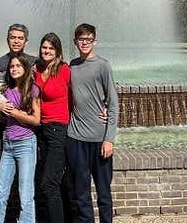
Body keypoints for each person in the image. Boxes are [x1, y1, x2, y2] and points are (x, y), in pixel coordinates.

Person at [66, 23, 119, 223]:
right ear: (75, 42)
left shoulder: (103, 66)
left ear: (94, 41)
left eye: (88, 39)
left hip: (99, 140)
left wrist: (109, 139)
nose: (85, 43)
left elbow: (113, 103)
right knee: (81, 194)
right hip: (76, 138)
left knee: (104, 193)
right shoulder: (72, 65)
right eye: (81, 39)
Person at [0, 24, 38, 220]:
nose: (16, 40)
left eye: (20, 37)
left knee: (27, 190)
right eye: (12, 37)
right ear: (7, 39)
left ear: (26, 41)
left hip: (26, 134)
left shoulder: (35, 63)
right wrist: (4, 106)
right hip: (4, 130)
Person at [34, 33, 71, 223]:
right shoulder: (37, 70)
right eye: (44, 47)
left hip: (59, 130)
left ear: (57, 51)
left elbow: (78, 95)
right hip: (42, 131)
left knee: (49, 183)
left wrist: (102, 108)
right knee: (51, 183)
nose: (46, 51)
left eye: (51, 48)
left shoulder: (64, 70)